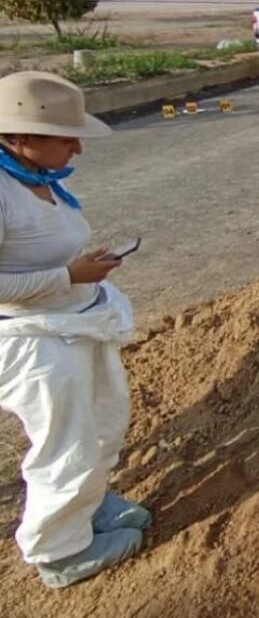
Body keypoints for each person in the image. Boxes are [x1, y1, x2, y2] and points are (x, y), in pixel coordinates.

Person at [0, 72, 149, 589]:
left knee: (100, 423)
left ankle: (86, 502)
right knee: (64, 444)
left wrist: (82, 268)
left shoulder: (34, 179)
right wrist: (68, 276)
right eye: (66, 138)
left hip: (70, 323)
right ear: (20, 138)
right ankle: (58, 551)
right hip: (30, 341)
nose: (77, 148)